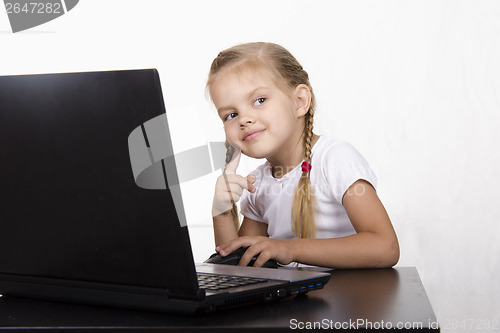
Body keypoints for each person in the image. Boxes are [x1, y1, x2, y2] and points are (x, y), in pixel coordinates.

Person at [207, 42, 399, 268]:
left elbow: (385, 247)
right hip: (296, 304)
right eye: (230, 114)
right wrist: (221, 214)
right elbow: (241, 271)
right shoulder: (255, 185)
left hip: (350, 300)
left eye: (259, 100)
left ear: (299, 102)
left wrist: (289, 248)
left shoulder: (335, 159)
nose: (244, 119)